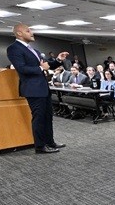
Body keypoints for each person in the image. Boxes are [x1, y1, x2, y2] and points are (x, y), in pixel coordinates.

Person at [6, 23, 69, 154]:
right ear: (19, 34)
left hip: (43, 88)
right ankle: (40, 146)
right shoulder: (14, 49)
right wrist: (41, 68)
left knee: (48, 116)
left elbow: (45, 65)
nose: (32, 33)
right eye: (28, 31)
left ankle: (50, 141)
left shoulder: (31, 49)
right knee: (39, 118)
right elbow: (22, 68)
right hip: (33, 89)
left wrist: (58, 60)